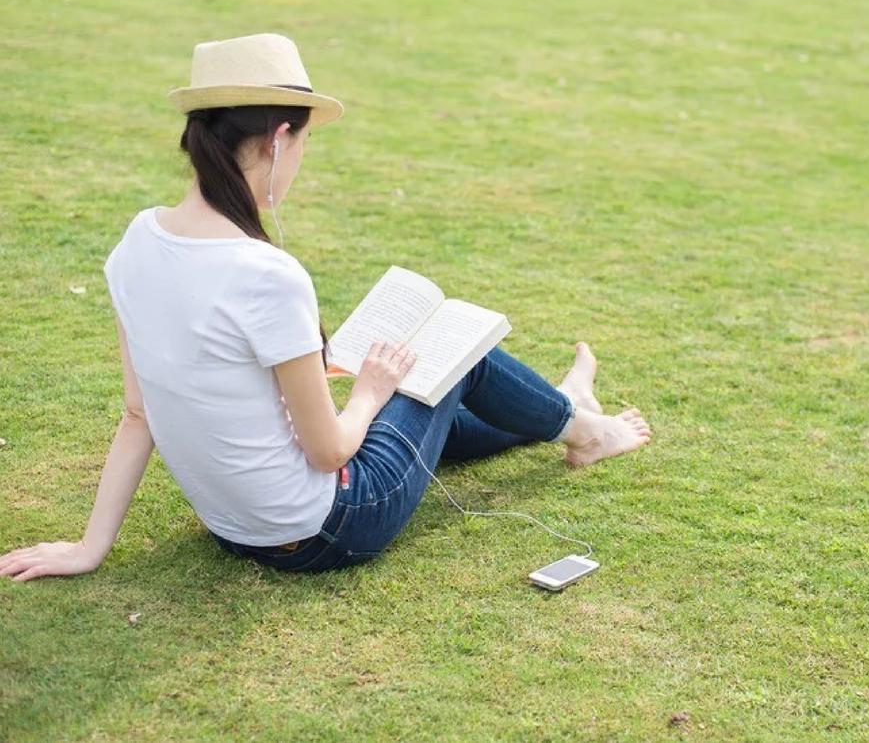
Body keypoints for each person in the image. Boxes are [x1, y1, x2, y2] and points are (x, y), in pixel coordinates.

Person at [0, 32, 651, 580]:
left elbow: (137, 413)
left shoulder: (137, 241)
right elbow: (329, 453)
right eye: (305, 144)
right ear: (279, 139)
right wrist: (367, 393)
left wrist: (90, 549)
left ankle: (561, 409)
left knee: (428, 401)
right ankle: (588, 433)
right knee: (449, 357)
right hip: (328, 528)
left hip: (233, 528)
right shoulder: (266, 274)